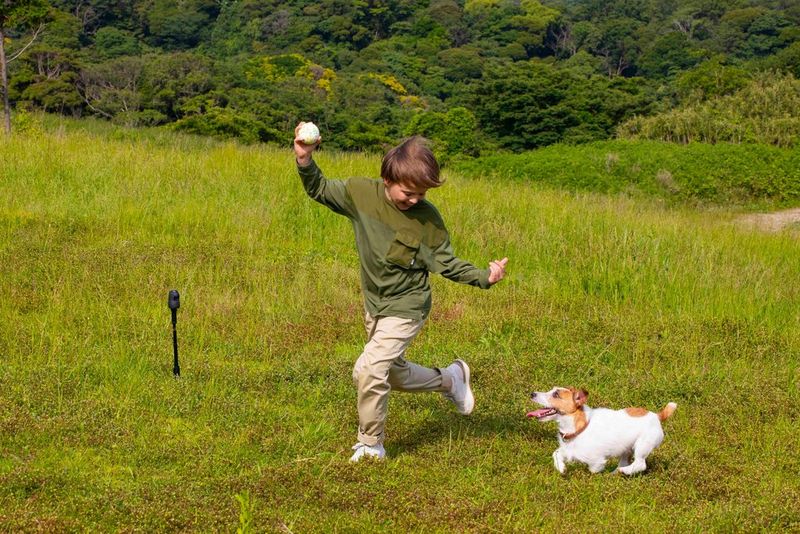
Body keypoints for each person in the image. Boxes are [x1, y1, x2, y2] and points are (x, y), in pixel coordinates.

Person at [293, 123, 508, 462]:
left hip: (407, 307)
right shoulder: (360, 193)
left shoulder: (428, 220)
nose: (415, 200)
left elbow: (446, 262)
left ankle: (370, 444)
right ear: (388, 179)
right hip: (375, 303)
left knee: (369, 371)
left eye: (422, 194)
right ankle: (450, 380)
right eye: (408, 193)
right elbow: (319, 188)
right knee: (389, 373)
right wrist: (305, 160)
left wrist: (484, 277)